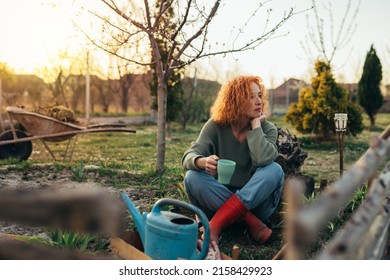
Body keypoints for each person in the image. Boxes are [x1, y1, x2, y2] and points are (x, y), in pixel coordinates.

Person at [181, 75, 284, 245]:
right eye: (251, 97)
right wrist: (203, 161)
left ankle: (215, 225)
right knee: (192, 176)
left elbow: (263, 159)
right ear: (235, 101)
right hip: (218, 200)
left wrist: (256, 127)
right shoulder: (215, 126)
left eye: (259, 95)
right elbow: (188, 156)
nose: (258, 101)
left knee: (274, 169)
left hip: (257, 205)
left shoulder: (268, 129)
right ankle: (250, 222)